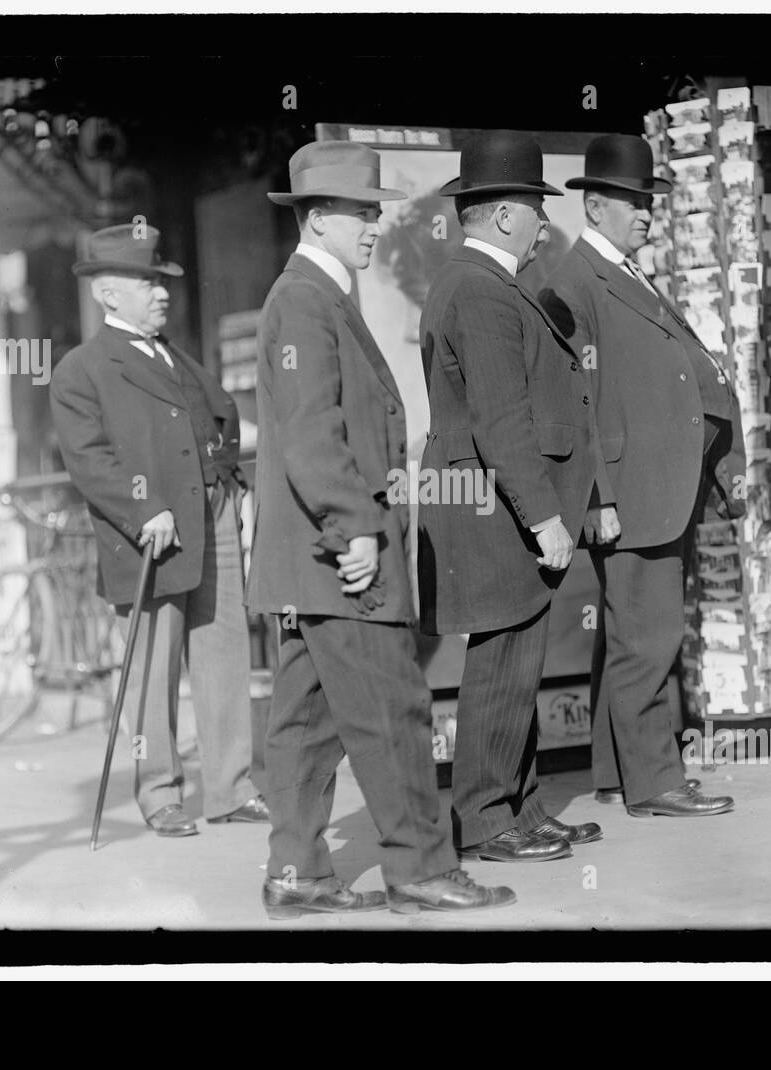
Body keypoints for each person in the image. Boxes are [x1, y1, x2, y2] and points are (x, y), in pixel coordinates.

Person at [249, 141, 513, 915]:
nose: (373, 224)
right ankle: (420, 869)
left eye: (375, 210)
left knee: (306, 719)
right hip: (339, 555)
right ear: (319, 215)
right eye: (362, 211)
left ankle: (294, 872)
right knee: (394, 711)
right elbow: (310, 435)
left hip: (314, 561)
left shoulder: (316, 296)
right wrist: (356, 527)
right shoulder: (305, 300)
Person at [417, 130, 607, 863]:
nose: (543, 223)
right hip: (495, 508)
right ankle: (489, 821)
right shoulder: (479, 289)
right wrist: (547, 516)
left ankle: (521, 808)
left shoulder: (482, 284)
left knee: (518, 661)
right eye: (535, 208)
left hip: (490, 503)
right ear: (503, 215)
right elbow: (502, 420)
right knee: (501, 666)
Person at [539, 133, 738, 817]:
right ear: (593, 206)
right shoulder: (576, 281)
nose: (647, 212)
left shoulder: (622, 269)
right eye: (632, 201)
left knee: (631, 633)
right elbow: (576, 394)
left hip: (653, 481)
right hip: (632, 488)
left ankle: (614, 770)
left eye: (649, 200)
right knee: (649, 637)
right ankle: (656, 783)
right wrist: (599, 495)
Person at [51, 223, 266, 838]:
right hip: (152, 532)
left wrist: (233, 484)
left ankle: (229, 787)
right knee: (152, 669)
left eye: (162, 280)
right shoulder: (81, 370)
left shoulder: (172, 354)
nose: (162, 291)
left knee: (223, 650)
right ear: (107, 294)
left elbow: (220, 418)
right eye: (147, 282)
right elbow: (88, 459)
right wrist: (144, 510)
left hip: (212, 515)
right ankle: (159, 791)